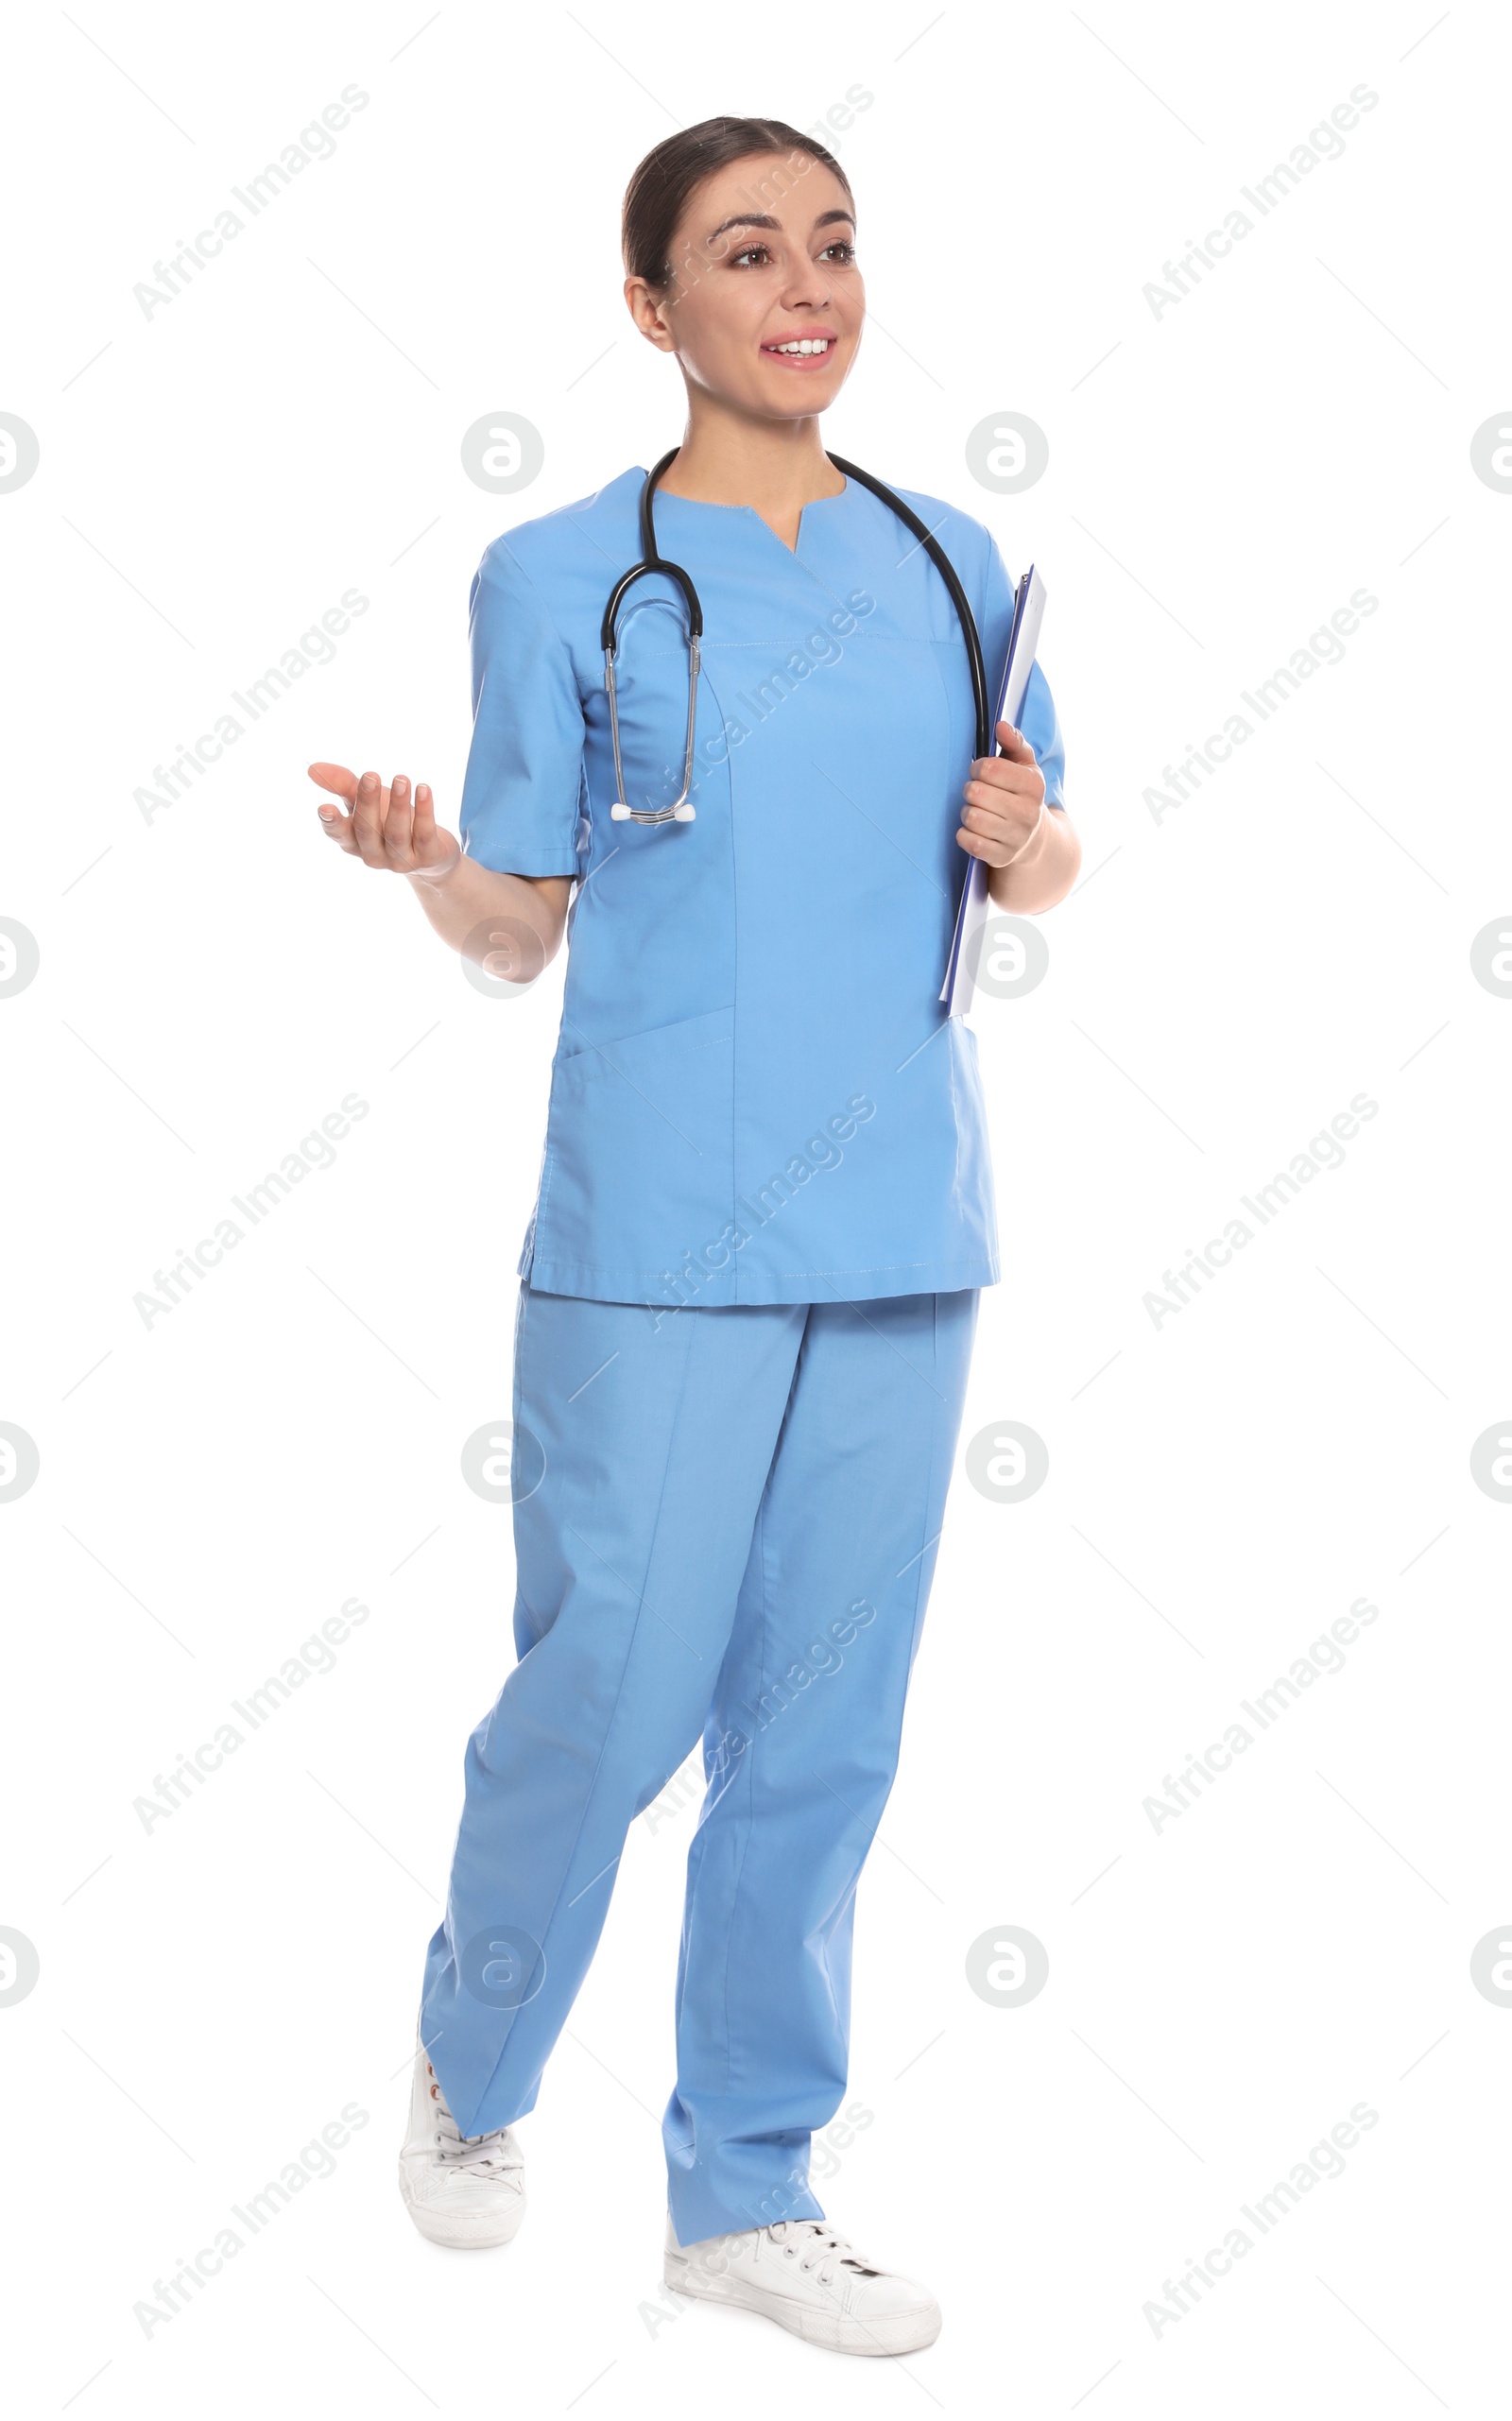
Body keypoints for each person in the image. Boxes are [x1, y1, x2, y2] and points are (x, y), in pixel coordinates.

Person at [309, 113, 1079, 2360]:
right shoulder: (561, 575)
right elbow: (519, 926)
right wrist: (426, 866)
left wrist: (1024, 838)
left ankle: (744, 2190)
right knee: (611, 1694)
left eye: (831, 243)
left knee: (821, 1738)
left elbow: (1027, 871)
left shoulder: (957, 563)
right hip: (652, 1233)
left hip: (897, 1228)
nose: (803, 284)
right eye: (746, 253)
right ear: (654, 310)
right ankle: (474, 2060)